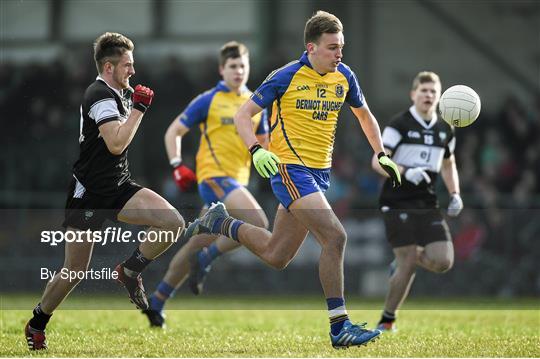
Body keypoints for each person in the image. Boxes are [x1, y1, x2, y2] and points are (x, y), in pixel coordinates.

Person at [184, 11, 401, 349]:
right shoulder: (286, 76)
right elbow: (244, 116)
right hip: (289, 169)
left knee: (276, 255)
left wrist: (382, 153)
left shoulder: (344, 76)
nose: (339, 54)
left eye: (341, 47)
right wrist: (256, 150)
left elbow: (364, 115)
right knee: (336, 237)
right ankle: (339, 326)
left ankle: (221, 222)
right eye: (332, 48)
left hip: (319, 174)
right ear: (311, 47)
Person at [24, 32, 185, 350]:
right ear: (109, 67)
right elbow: (115, 144)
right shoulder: (99, 95)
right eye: (127, 65)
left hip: (119, 187)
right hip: (90, 194)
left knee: (173, 223)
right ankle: (38, 321)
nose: (133, 71)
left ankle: (129, 270)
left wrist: (134, 106)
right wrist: (139, 109)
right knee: (74, 272)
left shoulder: (119, 92)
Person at [142, 41, 270, 327]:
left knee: (195, 246)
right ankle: (209, 257)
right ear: (221, 69)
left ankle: (157, 300)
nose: (238, 71)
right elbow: (173, 131)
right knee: (258, 224)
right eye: (233, 66)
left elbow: (265, 145)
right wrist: (176, 164)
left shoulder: (256, 105)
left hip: (237, 183)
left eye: (243, 66)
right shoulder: (208, 100)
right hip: (213, 179)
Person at [371, 71, 463, 332]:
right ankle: (387, 321)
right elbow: (377, 161)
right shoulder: (399, 124)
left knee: (443, 261)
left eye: (433, 91)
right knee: (408, 261)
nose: (428, 95)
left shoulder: (446, 129)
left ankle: (400, 261)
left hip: (427, 203)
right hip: (396, 201)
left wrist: (455, 193)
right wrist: (404, 171)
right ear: (413, 94)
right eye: (423, 90)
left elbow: (448, 164)